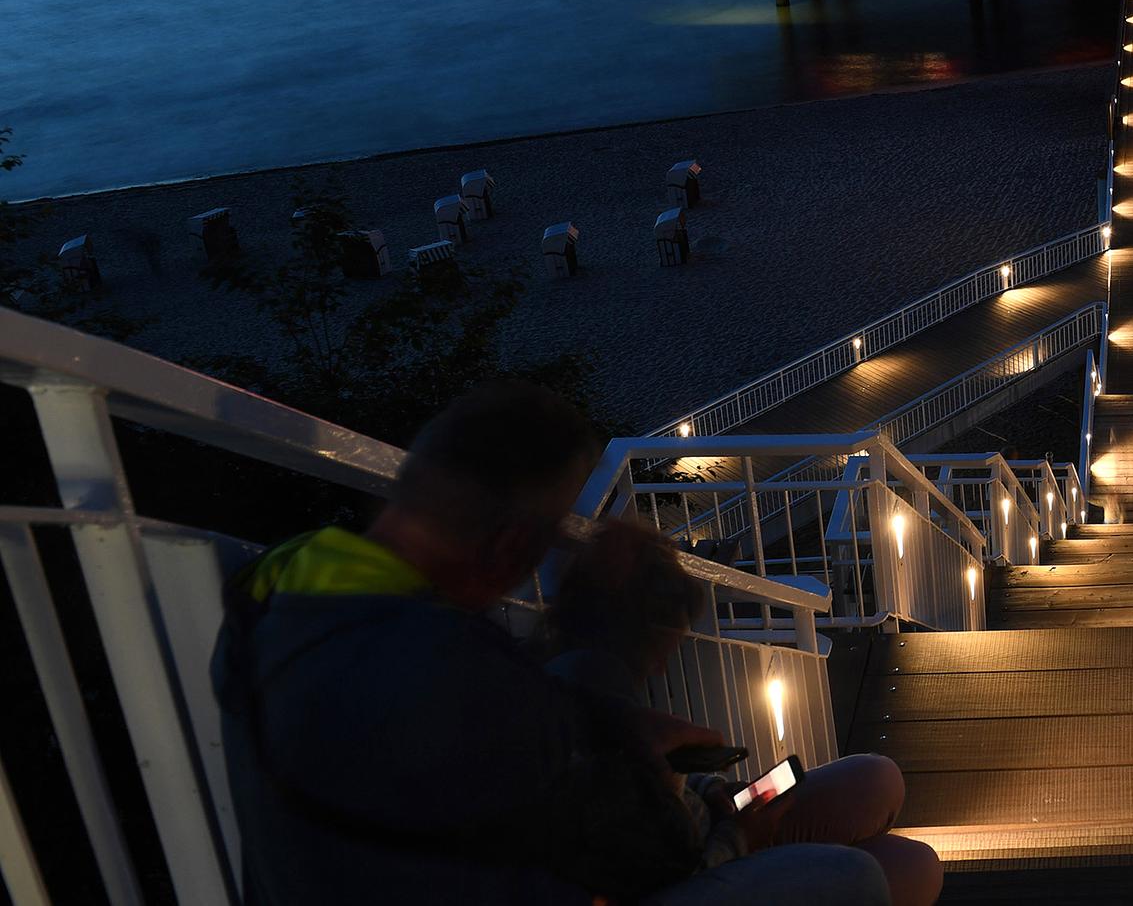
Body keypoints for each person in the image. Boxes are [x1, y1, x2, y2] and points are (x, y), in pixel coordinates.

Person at [212, 380, 898, 906]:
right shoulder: (439, 667)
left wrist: (613, 719)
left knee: (874, 792)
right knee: (860, 876)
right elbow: (653, 854)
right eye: (555, 530)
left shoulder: (294, 588)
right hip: (597, 870)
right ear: (513, 544)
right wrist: (620, 649)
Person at [547, 522, 942, 906]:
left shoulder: (591, 692)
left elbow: (667, 801)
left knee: (876, 777)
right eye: (661, 649)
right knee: (892, 870)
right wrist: (739, 837)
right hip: (704, 866)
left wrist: (707, 788)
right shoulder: (559, 741)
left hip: (714, 829)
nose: (661, 669)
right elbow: (656, 874)